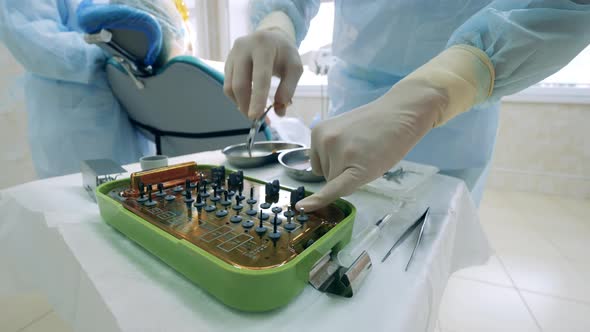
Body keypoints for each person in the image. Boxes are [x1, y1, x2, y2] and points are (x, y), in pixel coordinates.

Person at [224, 0, 590, 211]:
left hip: (455, 118)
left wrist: (439, 88)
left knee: (420, 266)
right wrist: (278, 20)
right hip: (351, 106)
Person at [0, 0, 192, 178]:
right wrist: (114, 54)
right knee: (80, 205)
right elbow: (37, 44)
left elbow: (161, 22)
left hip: (134, 105)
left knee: (138, 198)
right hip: (76, 120)